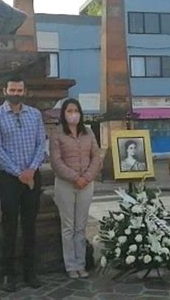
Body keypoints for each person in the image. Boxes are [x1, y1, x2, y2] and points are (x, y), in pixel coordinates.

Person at [0, 76, 45, 291]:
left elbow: (41, 143)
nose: (16, 93)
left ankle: (30, 271)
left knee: (30, 226)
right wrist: (18, 172)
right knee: (9, 227)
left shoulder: (35, 114)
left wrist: (31, 169)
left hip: (32, 177)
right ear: (5, 90)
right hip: (10, 179)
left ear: (24, 91)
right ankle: (7, 274)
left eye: (20, 90)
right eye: (13, 89)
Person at [50, 98, 101, 279]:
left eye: (76, 110)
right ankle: (71, 265)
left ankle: (81, 264)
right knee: (68, 226)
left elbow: (96, 156)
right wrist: (74, 177)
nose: (73, 114)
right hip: (66, 184)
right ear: (64, 114)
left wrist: (86, 177)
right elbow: (56, 161)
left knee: (81, 226)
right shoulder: (57, 133)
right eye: (69, 111)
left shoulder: (88, 132)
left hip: (86, 184)